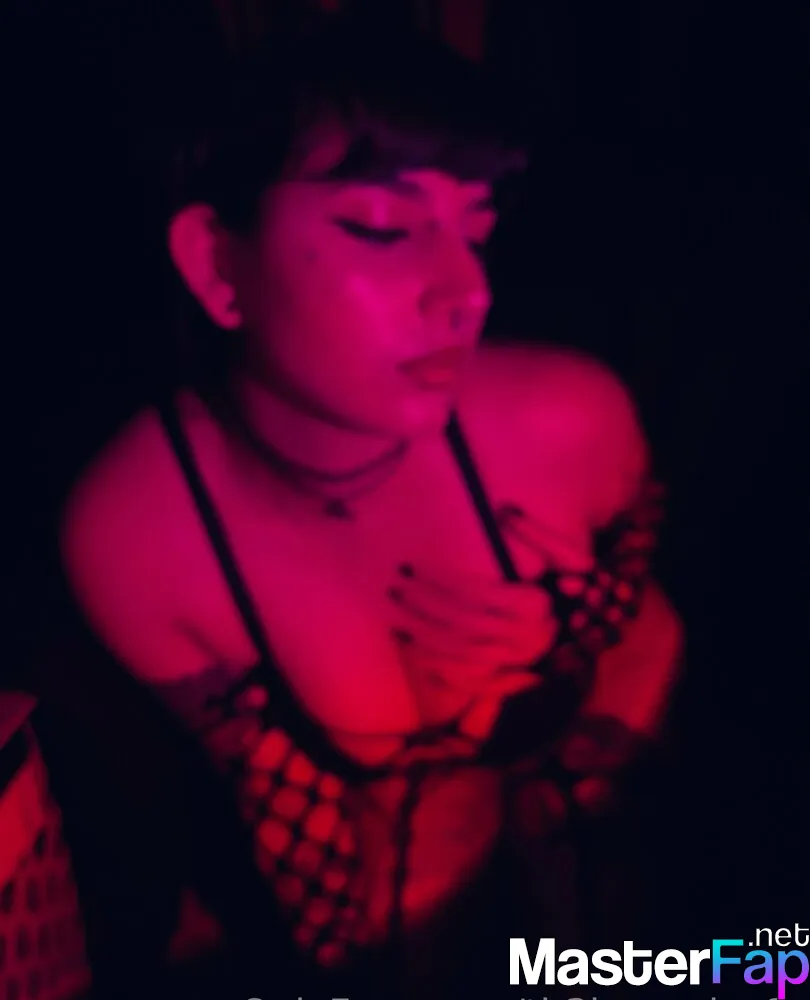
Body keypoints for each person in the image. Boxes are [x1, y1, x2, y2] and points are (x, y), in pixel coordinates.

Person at [58, 12, 682, 999]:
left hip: (599, 729)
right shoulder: (138, 534)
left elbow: (646, 542)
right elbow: (278, 802)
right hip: (393, 812)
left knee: (592, 868)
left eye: (478, 231)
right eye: (383, 229)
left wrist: (579, 623)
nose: (467, 292)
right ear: (218, 265)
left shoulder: (564, 415)